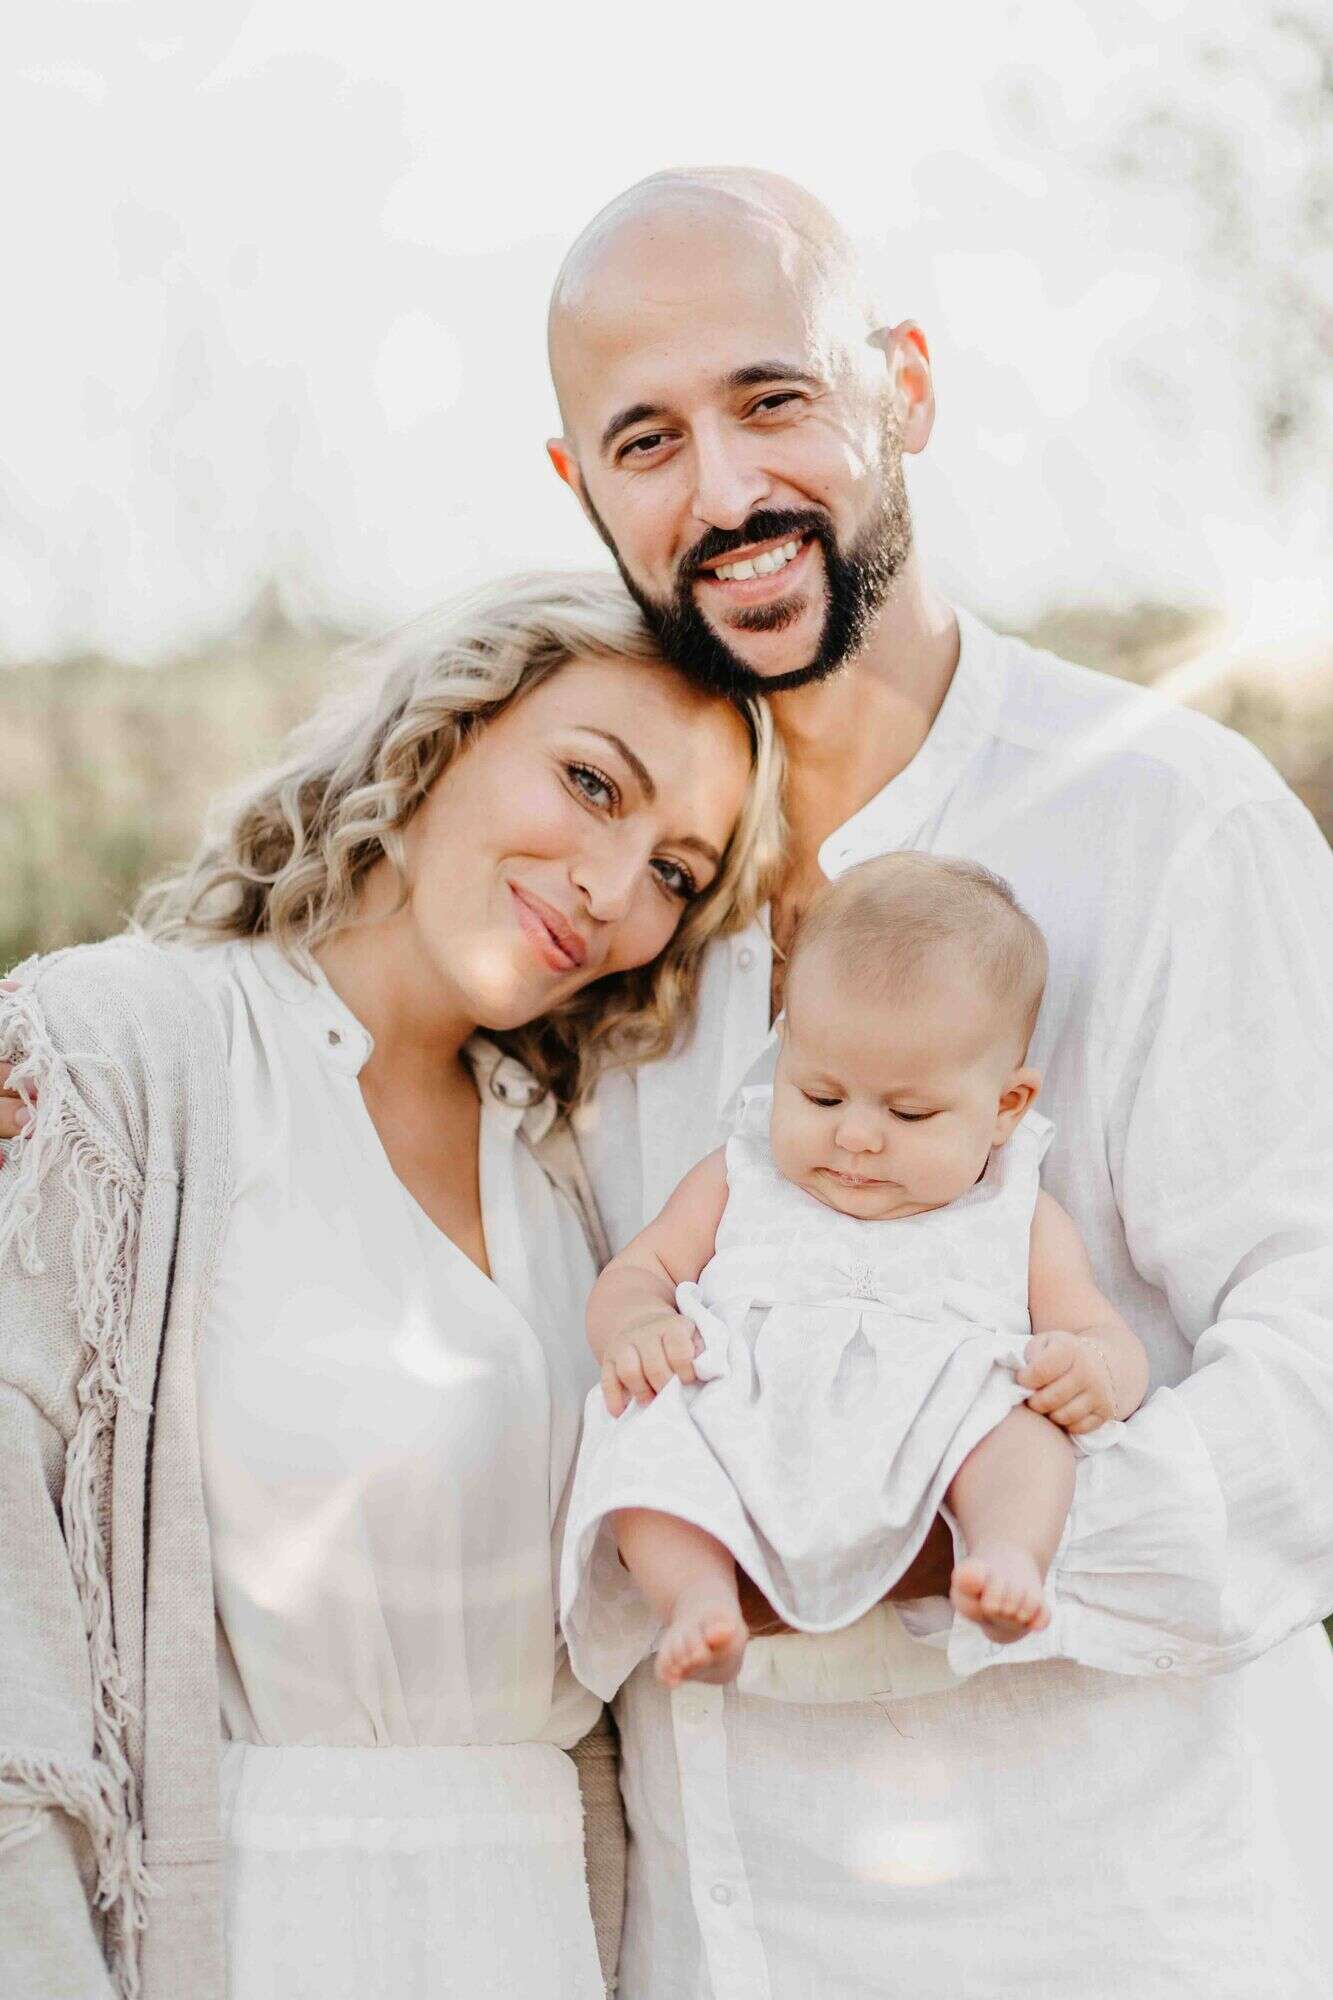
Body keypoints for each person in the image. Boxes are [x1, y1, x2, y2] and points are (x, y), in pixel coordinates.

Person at [544, 169, 1333, 1996]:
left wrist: (900, 1529)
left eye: (772, 398)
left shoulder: (1169, 824)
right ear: (579, 485)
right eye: (647, 440)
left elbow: (1317, 1381)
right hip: (711, 1937)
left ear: (901, 385)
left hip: (1111, 1926)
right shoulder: (603, 891)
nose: (723, 493)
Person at [0, 570, 781, 2000]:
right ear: (441, 730)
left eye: (676, 871)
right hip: (248, 1939)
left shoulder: (567, 1170)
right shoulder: (126, 1060)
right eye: (592, 784)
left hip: (532, 1941)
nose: (613, 890)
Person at [562, 854, 1150, 1699]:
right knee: (644, 1445)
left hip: (931, 1430)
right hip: (741, 1419)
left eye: (908, 1112)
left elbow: (1101, 1334)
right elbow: (640, 1269)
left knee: (1024, 1432)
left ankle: (1007, 1553)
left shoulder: (1016, 1212)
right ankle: (697, 1597)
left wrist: (1091, 1371)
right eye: (820, 1096)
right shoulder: (739, 1174)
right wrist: (637, 1325)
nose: (856, 1138)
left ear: (1005, 1108)